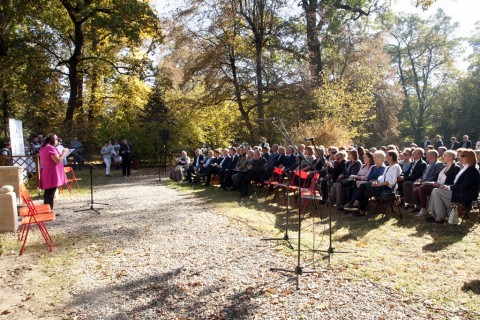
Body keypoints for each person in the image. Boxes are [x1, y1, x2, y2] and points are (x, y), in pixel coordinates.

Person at [427, 149, 480, 223]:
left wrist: (448, 187)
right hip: (459, 192)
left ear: (470, 157)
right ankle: (437, 216)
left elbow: (464, 186)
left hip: (465, 195)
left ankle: (438, 216)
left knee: (436, 191)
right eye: (460, 155)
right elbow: (457, 184)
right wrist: (447, 187)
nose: (460, 157)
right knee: (436, 191)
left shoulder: (473, 170)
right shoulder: (465, 168)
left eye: (463, 156)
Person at [345, 150, 401, 216]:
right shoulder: (388, 167)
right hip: (382, 186)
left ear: (391, 157)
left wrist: (379, 184)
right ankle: (359, 210)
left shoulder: (395, 167)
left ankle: (355, 206)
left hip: (387, 189)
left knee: (363, 187)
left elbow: (392, 181)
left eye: (386, 155)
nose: (385, 156)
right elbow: (382, 178)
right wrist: (377, 182)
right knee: (364, 189)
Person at [412, 150, 460, 217]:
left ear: (451, 157)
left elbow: (454, 182)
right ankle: (420, 207)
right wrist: (430, 182)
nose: (443, 157)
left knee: (421, 188)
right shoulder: (443, 166)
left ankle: (424, 209)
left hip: (444, 187)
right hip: (436, 184)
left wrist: (441, 185)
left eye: (445, 155)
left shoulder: (456, 168)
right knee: (418, 186)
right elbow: (435, 177)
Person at [38, 133, 68, 209]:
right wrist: (64, 153)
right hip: (51, 173)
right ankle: (49, 210)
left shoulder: (43, 147)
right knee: (50, 192)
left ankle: (47, 209)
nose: (57, 141)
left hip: (47, 172)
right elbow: (57, 161)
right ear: (52, 140)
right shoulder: (50, 148)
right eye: (56, 139)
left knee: (48, 192)